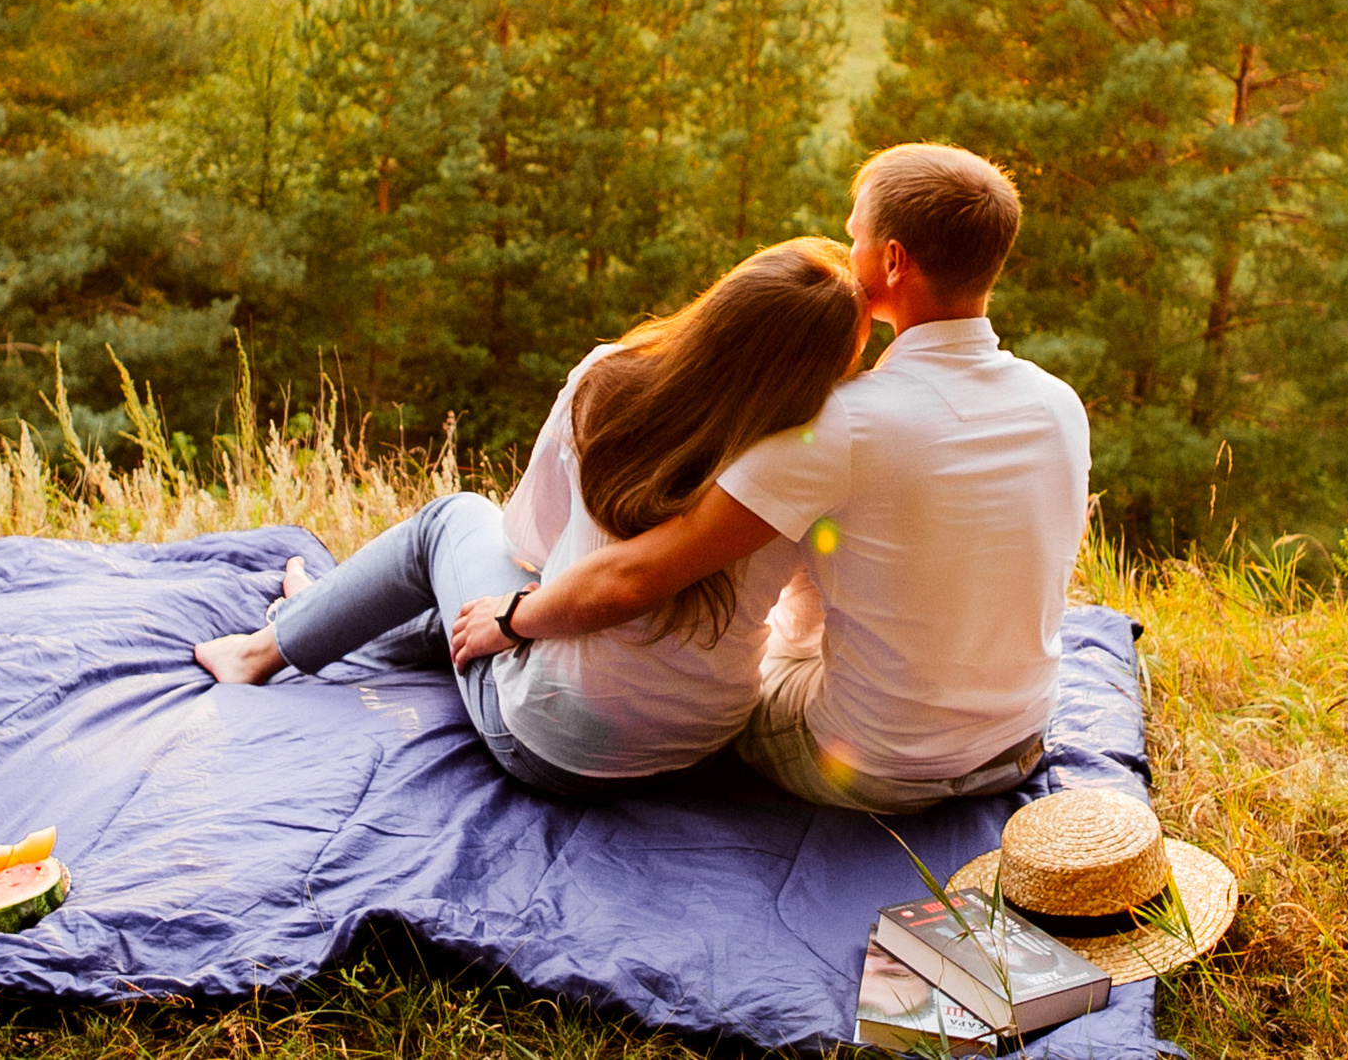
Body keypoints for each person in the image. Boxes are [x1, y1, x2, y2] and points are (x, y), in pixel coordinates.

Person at [451, 143, 1088, 814]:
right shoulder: (1059, 404)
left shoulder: (838, 425)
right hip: (1016, 745)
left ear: (894, 261)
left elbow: (638, 575)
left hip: (879, 767)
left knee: (750, 663)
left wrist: (515, 617)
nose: (846, 252)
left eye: (855, 238)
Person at [192, 237, 870, 797]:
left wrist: (528, 613)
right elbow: (803, 618)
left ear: (723, 309)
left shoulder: (612, 380)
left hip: (557, 747)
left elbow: (529, 545)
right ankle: (328, 614)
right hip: (700, 742)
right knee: (488, 599)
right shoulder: (812, 460)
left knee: (450, 520)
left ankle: (259, 651)